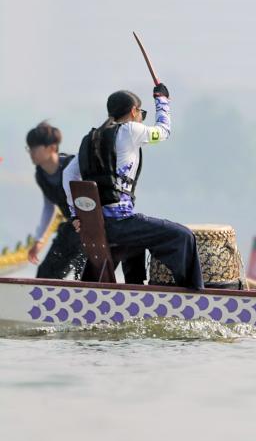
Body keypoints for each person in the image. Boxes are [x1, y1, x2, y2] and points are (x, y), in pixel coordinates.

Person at [63, 85, 204, 290]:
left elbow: (68, 175)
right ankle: (194, 294)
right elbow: (163, 131)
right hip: (120, 224)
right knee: (183, 236)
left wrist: (76, 215)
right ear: (133, 111)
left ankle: (135, 287)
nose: (141, 119)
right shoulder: (130, 129)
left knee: (136, 238)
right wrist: (162, 100)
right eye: (141, 114)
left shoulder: (91, 139)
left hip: (100, 226)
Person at [24, 121, 86, 279]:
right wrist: (39, 240)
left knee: (84, 275)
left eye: (34, 148)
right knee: (45, 275)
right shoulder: (41, 175)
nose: (31, 153)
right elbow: (49, 207)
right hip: (71, 227)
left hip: (91, 228)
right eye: (29, 148)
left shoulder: (73, 167)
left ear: (52, 148)